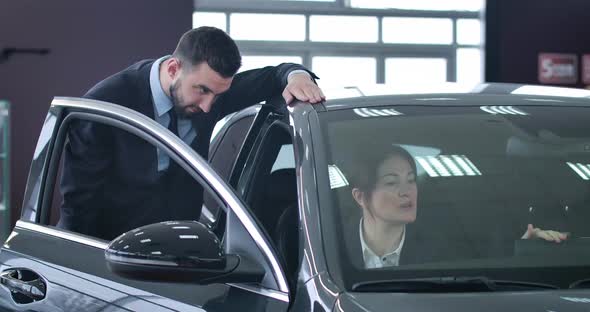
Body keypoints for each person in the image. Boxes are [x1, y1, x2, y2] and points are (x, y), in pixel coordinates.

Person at [57, 26, 325, 240]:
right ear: (174, 69)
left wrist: (297, 76)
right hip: (113, 256)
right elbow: (79, 206)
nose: (209, 107)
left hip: (183, 255)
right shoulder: (106, 105)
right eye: (202, 91)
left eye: (217, 94)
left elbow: (274, 75)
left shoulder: (210, 91)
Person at [347, 145, 568, 269]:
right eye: (392, 182)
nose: (407, 191)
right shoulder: (331, 250)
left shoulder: (445, 248)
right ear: (360, 197)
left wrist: (526, 250)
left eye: (411, 179)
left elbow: (484, 272)